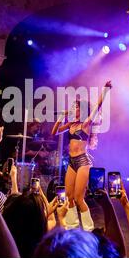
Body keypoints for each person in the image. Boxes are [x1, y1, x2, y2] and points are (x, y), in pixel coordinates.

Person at [51, 81, 112, 231]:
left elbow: (97, 107)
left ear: (82, 110)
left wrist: (104, 91)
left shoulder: (86, 123)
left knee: (79, 198)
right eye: (74, 107)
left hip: (83, 162)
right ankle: (72, 226)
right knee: (69, 197)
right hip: (72, 162)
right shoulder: (71, 125)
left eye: (77, 107)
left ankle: (89, 229)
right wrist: (62, 116)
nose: (74, 109)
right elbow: (54, 132)